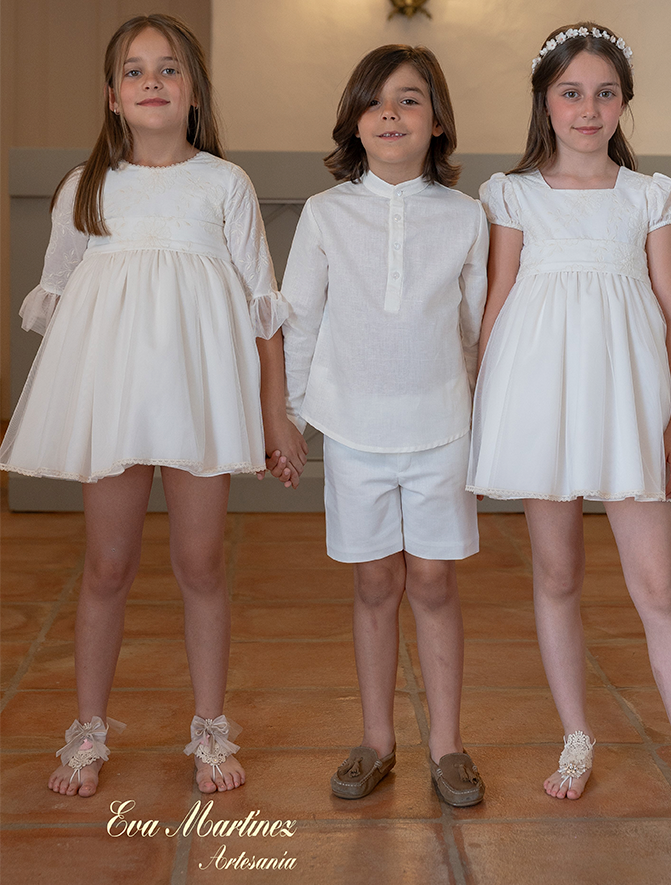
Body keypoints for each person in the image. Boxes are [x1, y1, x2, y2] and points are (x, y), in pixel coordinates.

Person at [0, 13, 306, 797]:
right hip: (115, 399)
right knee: (107, 565)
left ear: (194, 90)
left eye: (168, 68)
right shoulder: (86, 188)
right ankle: (88, 730)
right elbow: (65, 306)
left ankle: (209, 728)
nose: (151, 81)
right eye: (133, 71)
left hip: (198, 399)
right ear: (112, 96)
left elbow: (263, 313)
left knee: (201, 562)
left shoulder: (224, 185)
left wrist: (274, 415)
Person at [467, 22, 671, 823]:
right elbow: (497, 307)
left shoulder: (647, 194)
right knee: (557, 574)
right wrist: (490, 420)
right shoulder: (513, 194)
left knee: (659, 585)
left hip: (630, 401)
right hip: (540, 399)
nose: (587, 109)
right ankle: (576, 735)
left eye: (604, 93)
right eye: (571, 93)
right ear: (545, 101)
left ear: (624, 102)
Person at [281, 45, 487, 806]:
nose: (390, 114)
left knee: (432, 580)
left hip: (443, 427)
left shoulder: (467, 217)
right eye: (374, 101)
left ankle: (448, 745)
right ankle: (376, 740)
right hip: (353, 429)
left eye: (409, 100)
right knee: (375, 582)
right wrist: (290, 417)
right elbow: (300, 321)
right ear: (354, 122)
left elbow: (478, 331)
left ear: (438, 122)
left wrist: (486, 425)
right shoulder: (326, 214)